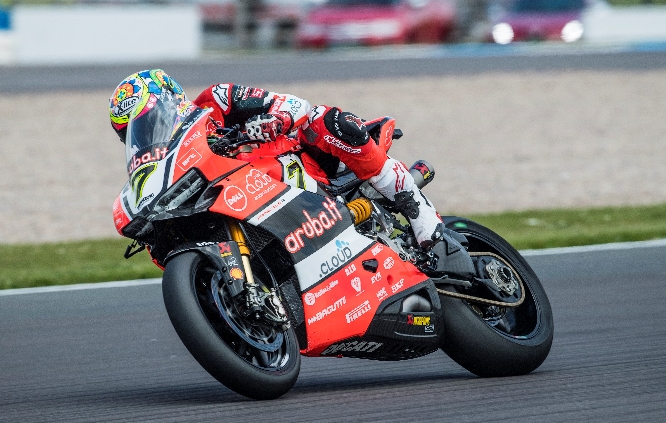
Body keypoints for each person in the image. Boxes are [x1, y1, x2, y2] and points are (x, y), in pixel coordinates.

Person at [109, 69, 469, 274]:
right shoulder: (169, 162)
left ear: (172, 102)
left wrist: (274, 119)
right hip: (246, 204)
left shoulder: (217, 100)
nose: (144, 137)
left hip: (304, 167)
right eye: (133, 134)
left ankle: (421, 214)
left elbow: (295, 105)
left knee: (322, 120)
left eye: (149, 122)